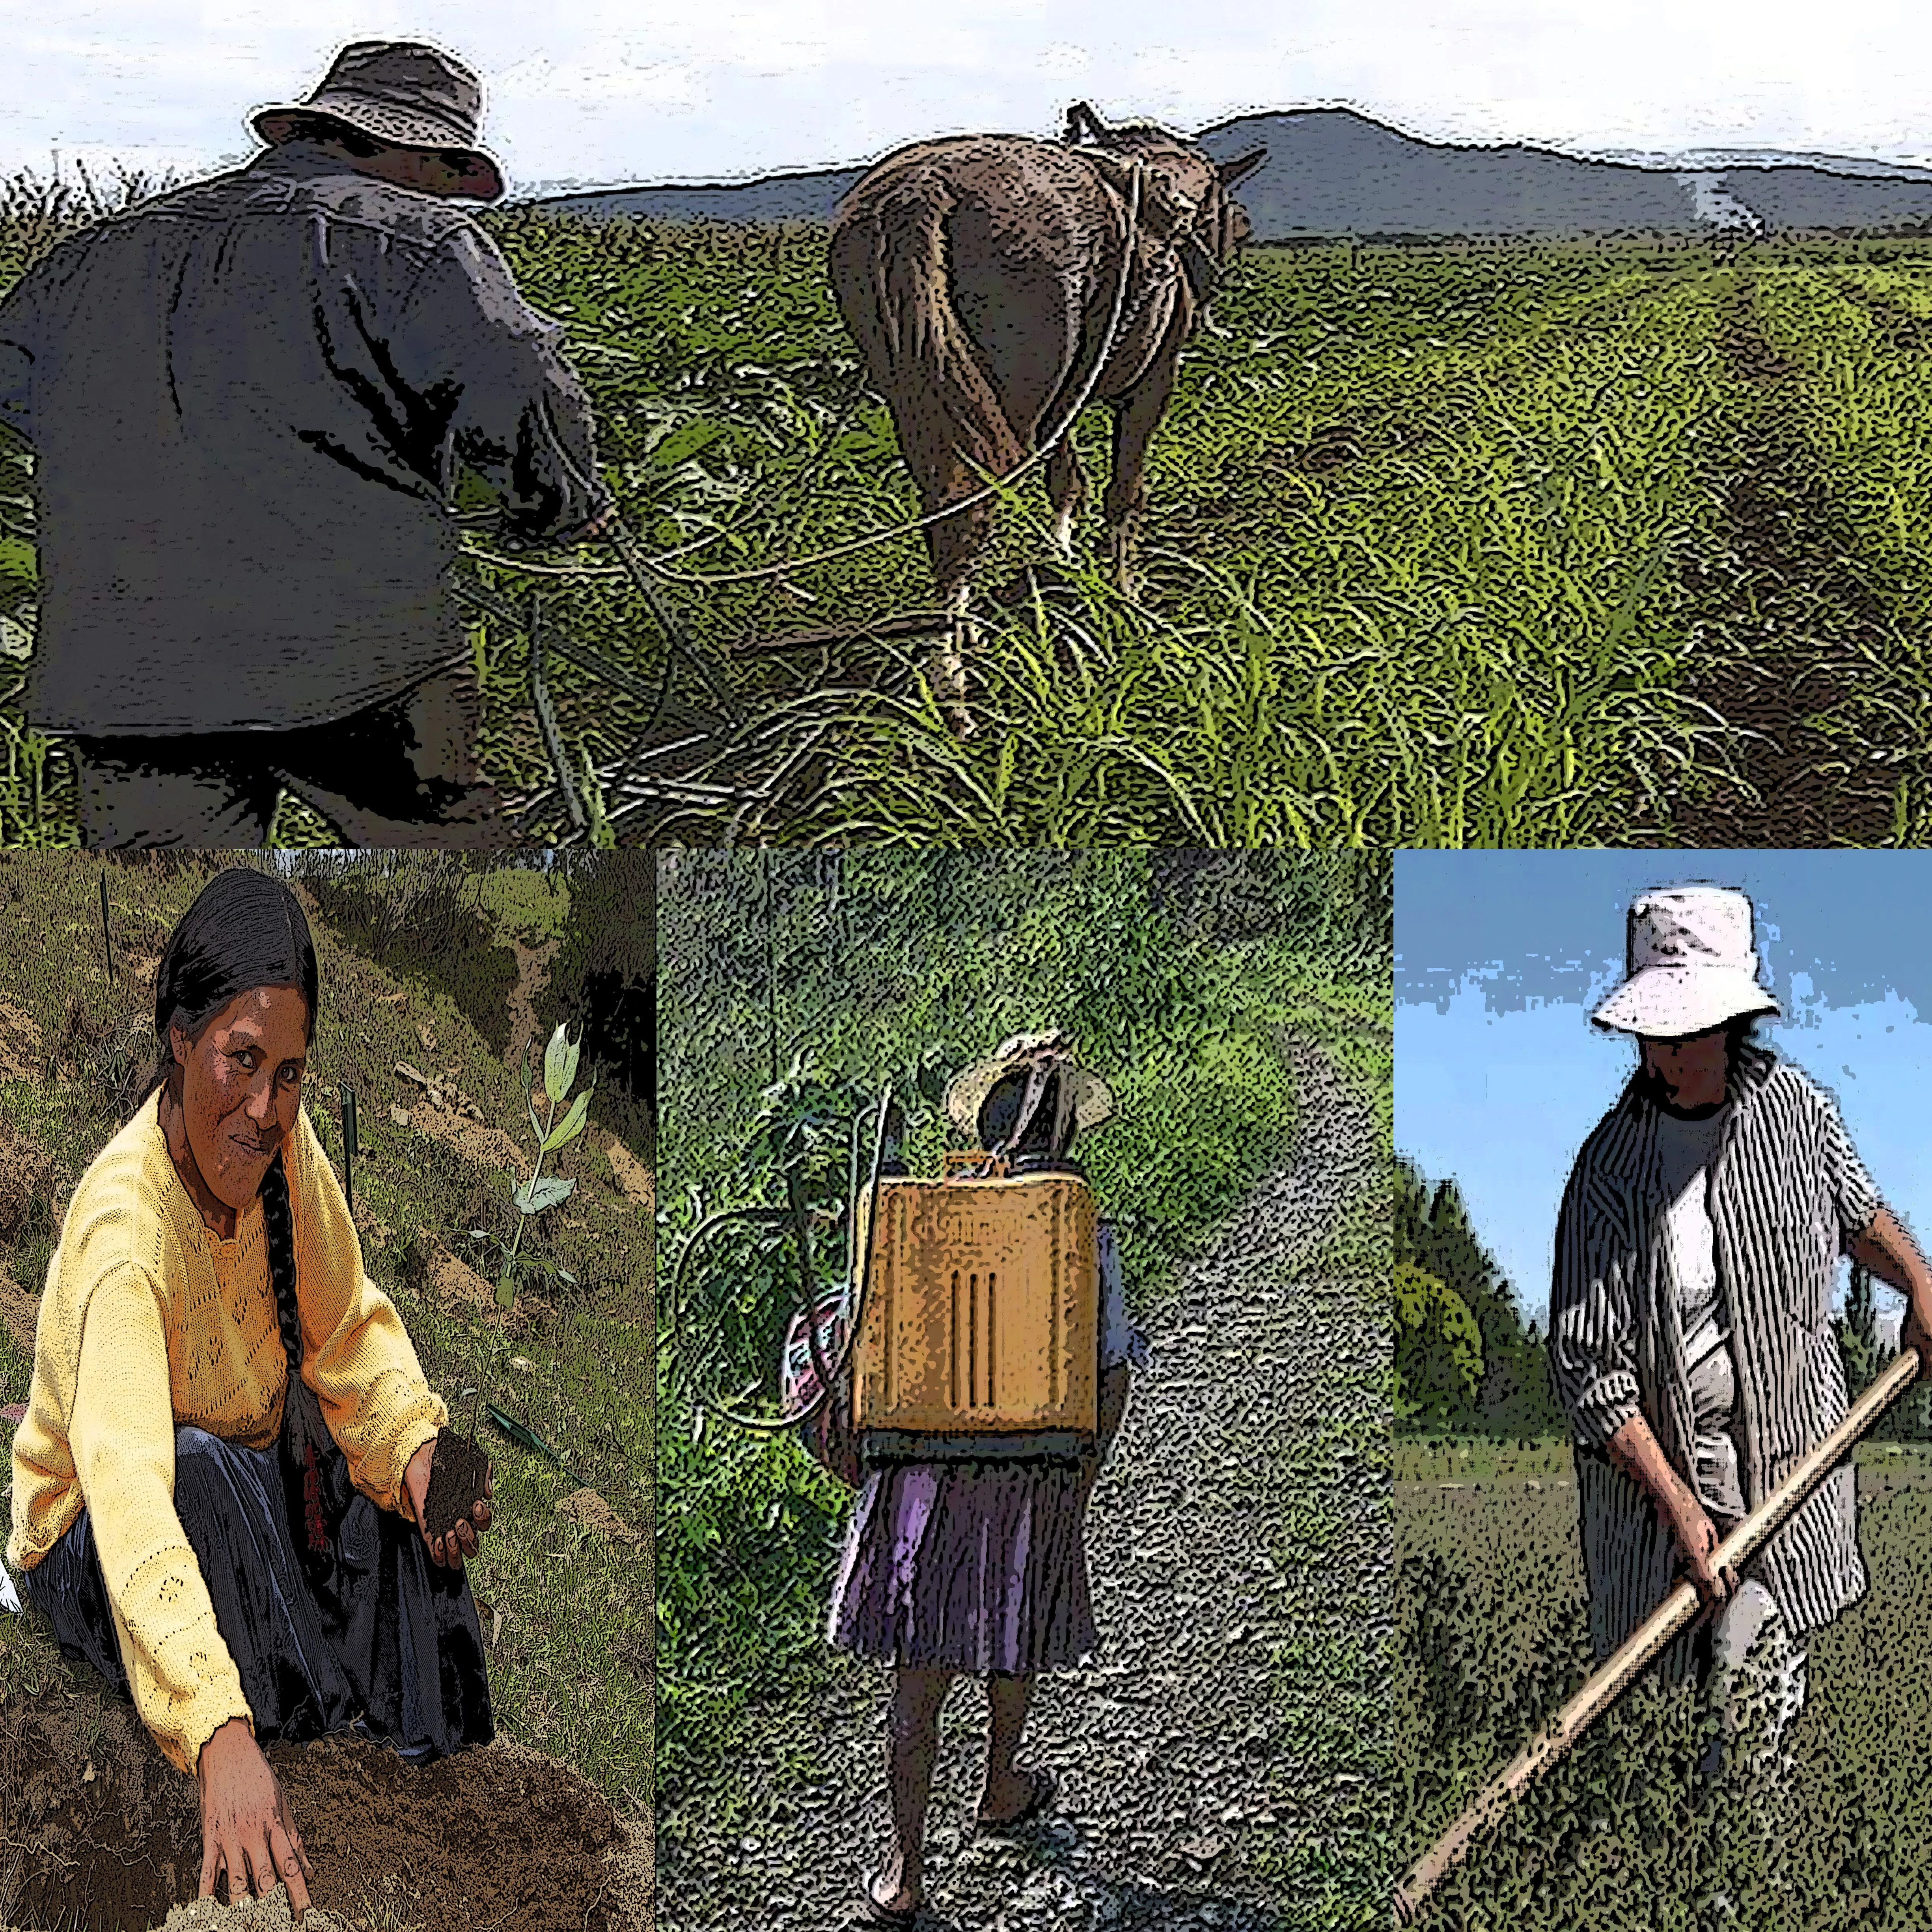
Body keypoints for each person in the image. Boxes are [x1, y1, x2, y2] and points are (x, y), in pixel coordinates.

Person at [6, 867, 495, 1915]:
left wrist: (416, 1452)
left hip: (251, 1469)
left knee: (402, 1483)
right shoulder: (123, 1244)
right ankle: (297, 1765)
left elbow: (348, 1325)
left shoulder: (282, 1148)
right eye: (240, 1062)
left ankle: (436, 1782)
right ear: (181, 1040)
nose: (267, 1108)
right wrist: (215, 1732)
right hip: (108, 1532)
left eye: (290, 1075)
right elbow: (136, 1507)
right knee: (200, 1475)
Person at [0, 39, 617, 848]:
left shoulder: (96, 251)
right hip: (355, 653)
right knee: (457, 894)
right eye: (445, 170)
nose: (445, 193)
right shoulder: (417, 239)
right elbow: (517, 379)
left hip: (129, 665)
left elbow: (17, 389)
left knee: (166, 920)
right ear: (412, 147)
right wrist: (558, 508)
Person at [1549, 884, 1932, 1795]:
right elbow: (1588, 1369)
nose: (1667, 1053)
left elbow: (1854, 1213)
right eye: (1655, 1033)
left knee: (1749, 1715)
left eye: (1688, 1031)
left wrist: (1918, 1280)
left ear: (1731, 1022)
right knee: (1658, 1740)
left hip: (1784, 1472)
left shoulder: (1795, 1114)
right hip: (1660, 1492)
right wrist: (1678, 1506)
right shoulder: (1609, 1170)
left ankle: (1741, 1886)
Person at [825, 1030, 1149, 1927]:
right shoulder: (1080, 1230)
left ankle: (903, 1868)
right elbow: (1110, 1367)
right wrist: (1083, 1473)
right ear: (1066, 1139)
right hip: (1033, 1465)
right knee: (1012, 1632)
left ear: (990, 1131)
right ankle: (1001, 1780)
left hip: (921, 1469)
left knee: (917, 1667)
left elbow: (865, 1334)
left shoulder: (921, 1214)